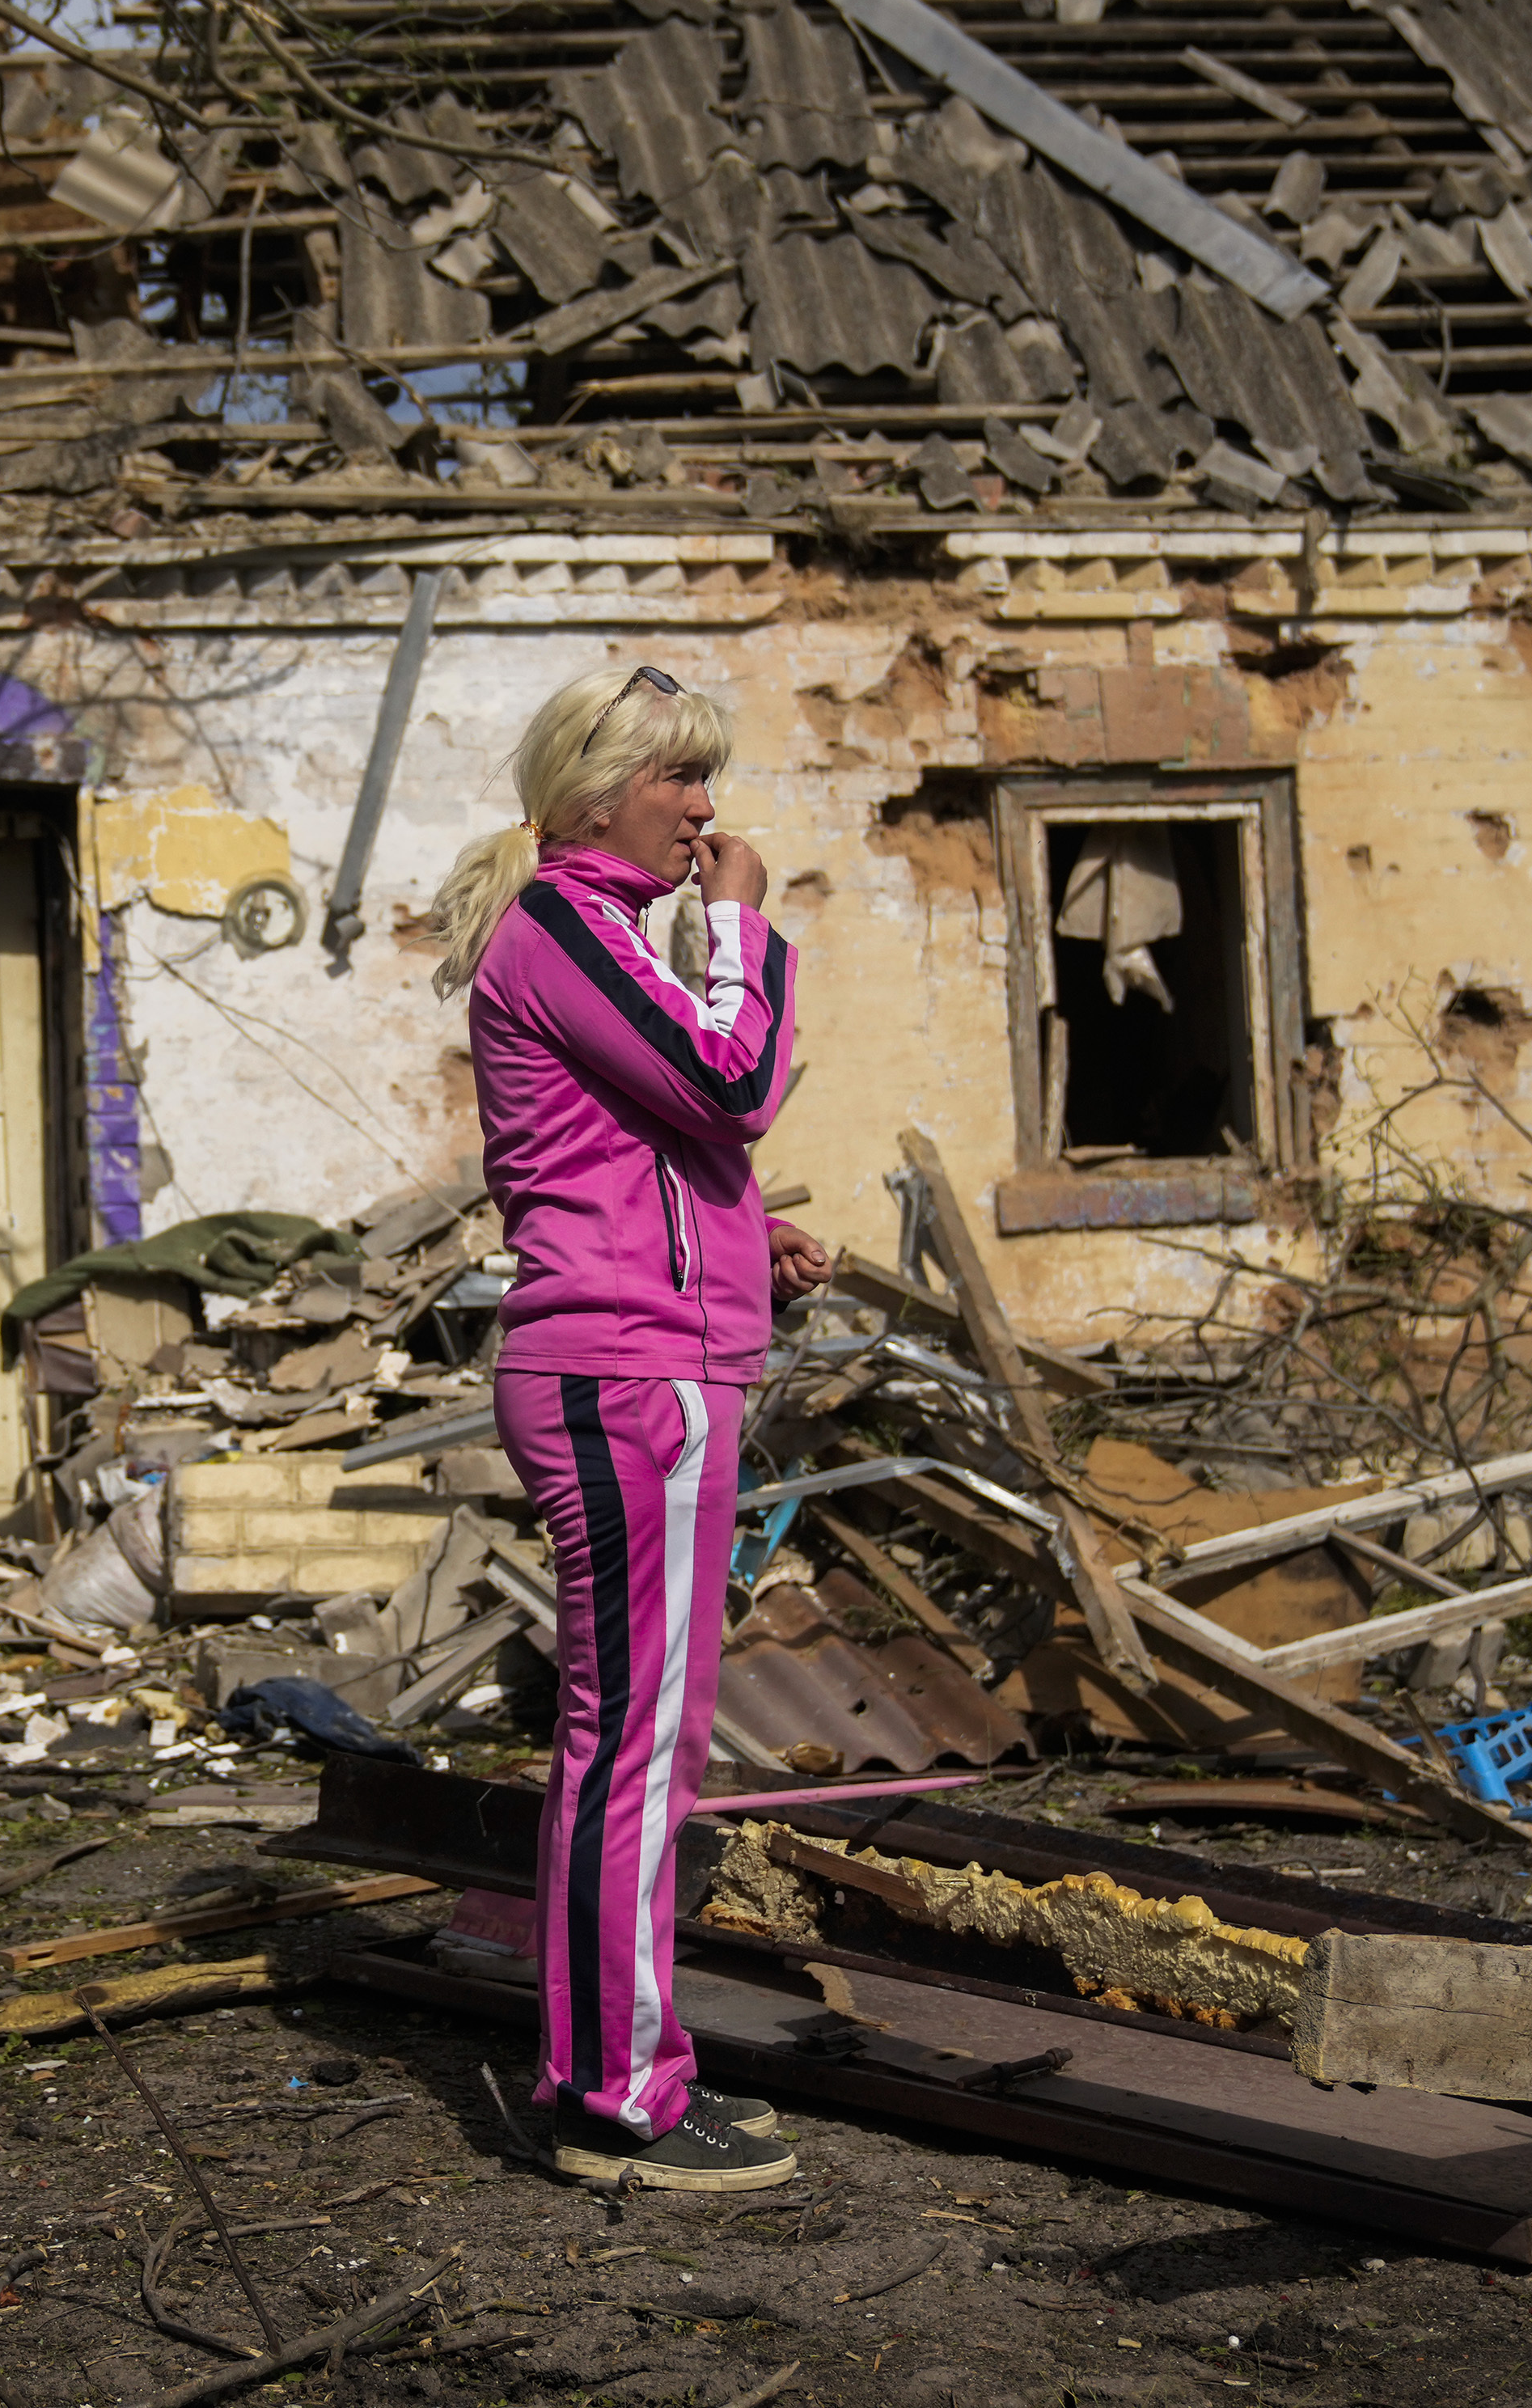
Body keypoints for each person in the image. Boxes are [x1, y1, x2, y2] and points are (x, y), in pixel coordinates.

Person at [430, 661, 830, 2191]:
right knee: (635, 1749)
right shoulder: (561, 927)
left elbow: (661, 1150)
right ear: (599, 790)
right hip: (624, 1377)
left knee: (635, 1743)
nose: (705, 809)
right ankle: (616, 2093)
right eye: (680, 780)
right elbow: (731, 1080)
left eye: (707, 780)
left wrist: (750, 1247)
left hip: (657, 1360)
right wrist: (743, 921)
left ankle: (609, 2071)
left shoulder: (592, 935)